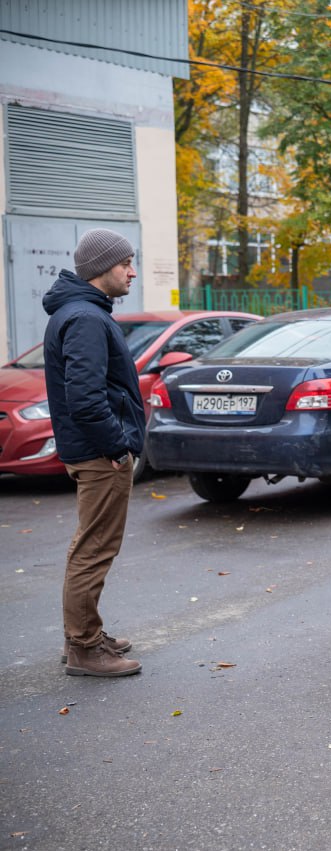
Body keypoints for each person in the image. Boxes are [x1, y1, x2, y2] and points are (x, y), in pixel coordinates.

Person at [43, 228, 145, 677]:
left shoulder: (82, 312)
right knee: (94, 549)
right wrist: (116, 447)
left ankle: (83, 634)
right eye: (126, 263)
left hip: (90, 450)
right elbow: (84, 397)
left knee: (89, 545)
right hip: (98, 454)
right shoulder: (85, 317)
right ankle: (84, 648)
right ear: (104, 267)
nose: (132, 271)